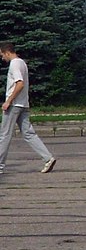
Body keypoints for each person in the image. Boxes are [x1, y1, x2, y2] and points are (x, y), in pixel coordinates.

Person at [0, 42, 55, 174]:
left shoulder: (14, 64)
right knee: (29, 133)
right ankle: (48, 158)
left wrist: (8, 101)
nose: (2, 58)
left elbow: (20, 84)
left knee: (4, 135)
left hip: (14, 105)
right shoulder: (22, 63)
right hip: (24, 104)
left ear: (7, 52)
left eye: (2, 55)